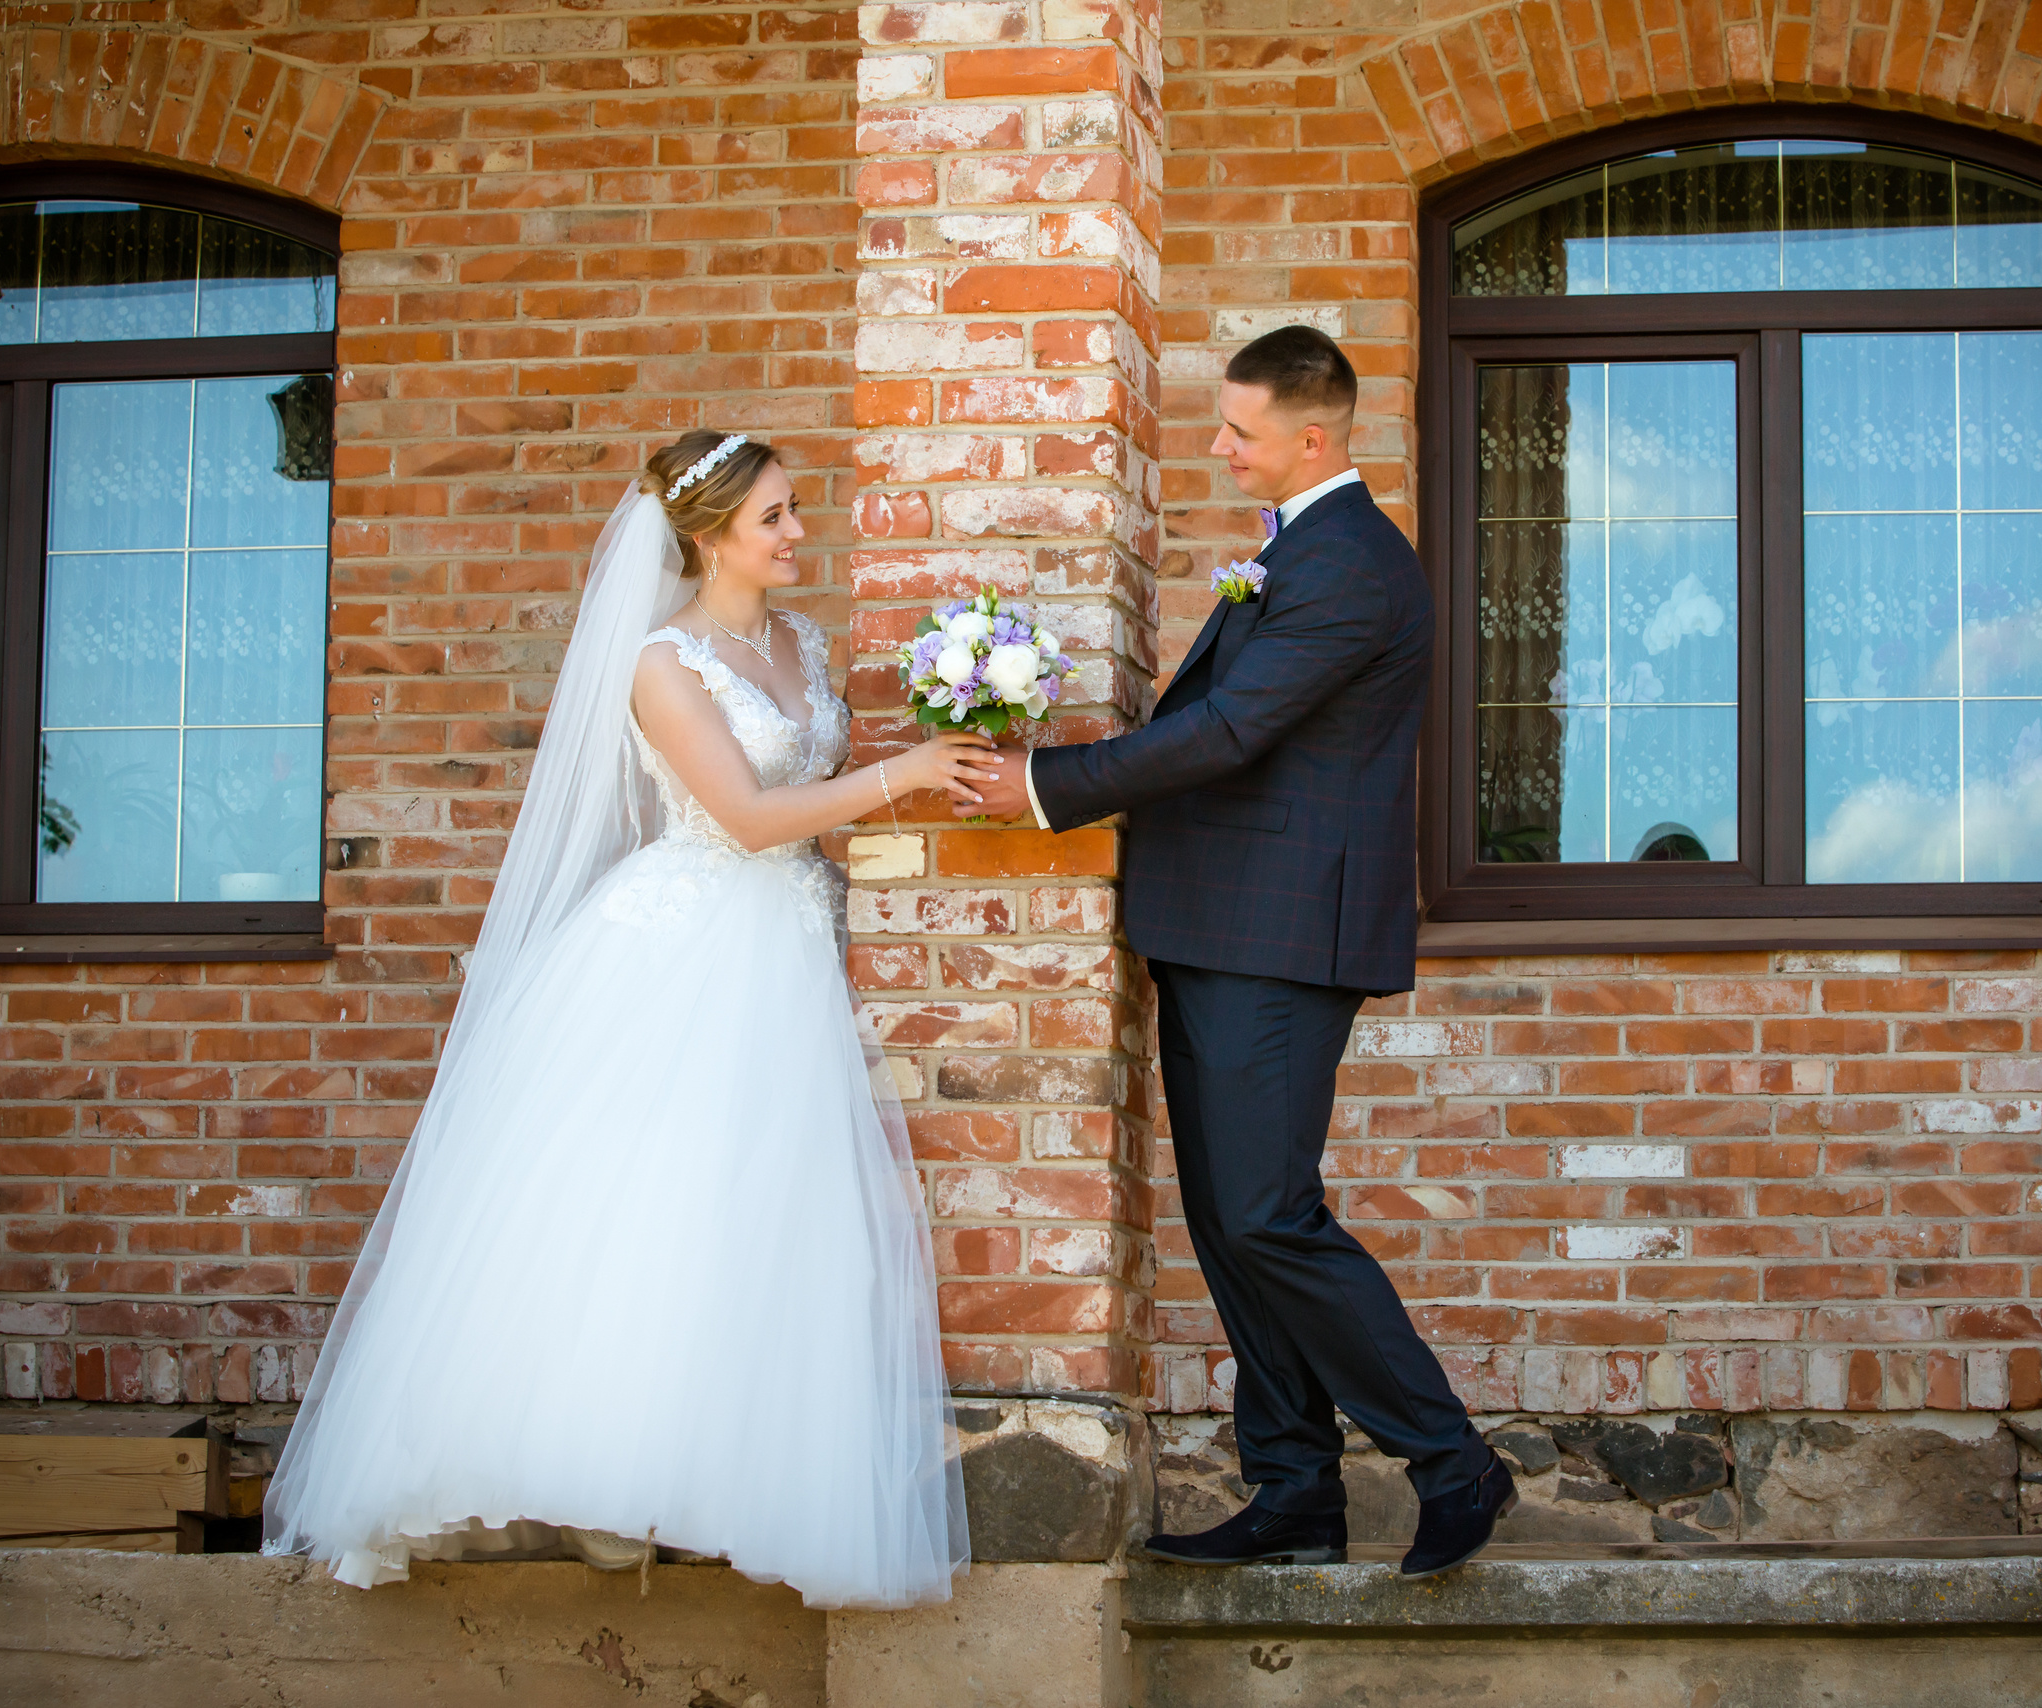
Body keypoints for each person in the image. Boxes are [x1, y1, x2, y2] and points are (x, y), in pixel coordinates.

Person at [262, 431, 989, 1604]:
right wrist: (903, 777)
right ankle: (595, 1478)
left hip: (788, 952)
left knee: (758, 1215)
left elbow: (811, 796)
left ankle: (704, 1482)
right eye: (775, 518)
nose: (798, 533)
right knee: (653, 1207)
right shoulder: (663, 663)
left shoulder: (800, 643)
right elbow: (750, 816)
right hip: (688, 949)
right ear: (706, 536)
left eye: (795, 510)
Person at [962, 326, 1518, 1577]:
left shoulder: (1354, 566)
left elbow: (1231, 730)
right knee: (1228, 1220)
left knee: (1270, 1213)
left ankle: (1452, 1460)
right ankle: (1292, 1490)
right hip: (1220, 924)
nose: (1219, 447)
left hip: (1277, 937)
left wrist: (1049, 783)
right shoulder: (1301, 553)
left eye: (1239, 431)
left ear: (1311, 439)